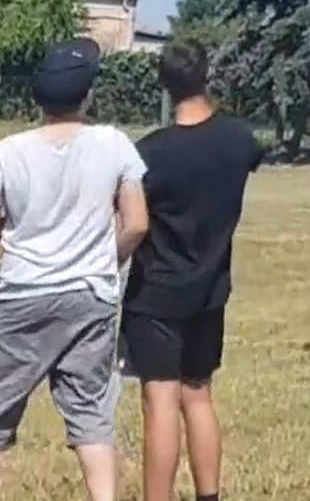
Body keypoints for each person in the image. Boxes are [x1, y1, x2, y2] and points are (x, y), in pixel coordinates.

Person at [0, 38, 148, 501]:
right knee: (90, 418)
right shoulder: (113, 143)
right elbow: (137, 222)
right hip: (90, 297)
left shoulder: (8, 152)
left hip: (23, 293)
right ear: (88, 96)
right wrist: (110, 260)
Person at [124, 40, 265, 501]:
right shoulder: (239, 139)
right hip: (211, 289)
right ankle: (209, 495)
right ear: (207, 75)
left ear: (163, 85)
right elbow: (250, 159)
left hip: (157, 293)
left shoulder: (149, 155)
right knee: (198, 395)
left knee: (160, 401)